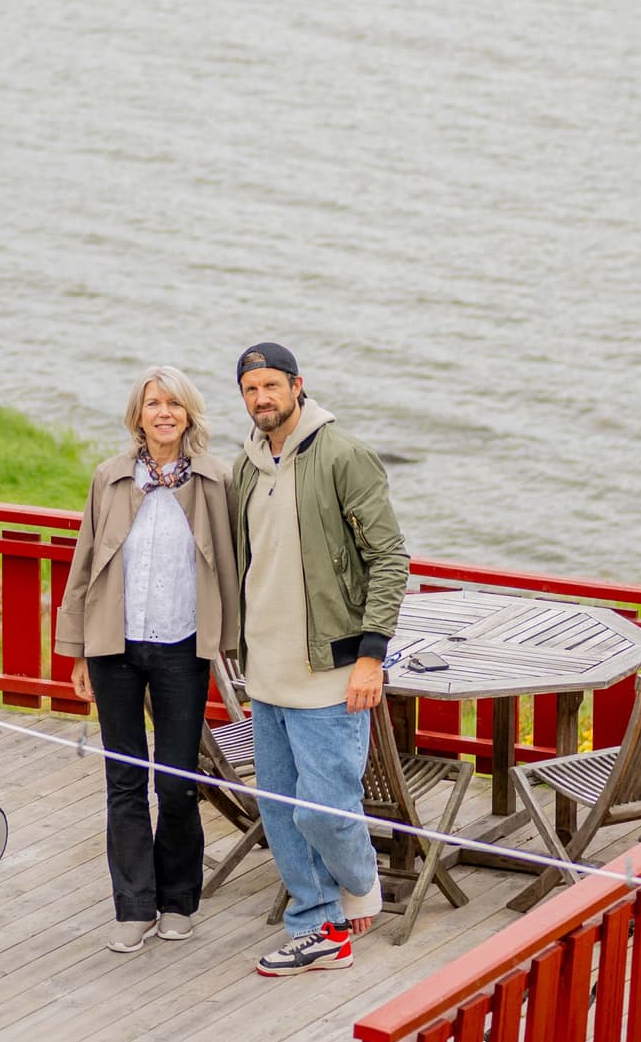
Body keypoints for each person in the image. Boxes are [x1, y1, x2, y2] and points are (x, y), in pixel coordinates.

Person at [226, 341, 410, 976]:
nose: (262, 398)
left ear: (298, 386)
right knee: (278, 810)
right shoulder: (245, 466)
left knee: (323, 811)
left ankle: (359, 886)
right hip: (267, 674)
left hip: (331, 672)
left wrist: (371, 656)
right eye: (251, 389)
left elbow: (390, 559)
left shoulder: (343, 455)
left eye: (272, 386)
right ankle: (318, 925)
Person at [54, 367, 241, 951]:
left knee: (179, 783)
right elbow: (85, 565)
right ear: (137, 415)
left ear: (189, 414)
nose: (164, 412)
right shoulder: (109, 479)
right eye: (153, 403)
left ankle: (179, 900)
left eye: (175, 404)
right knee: (124, 780)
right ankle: (133, 905)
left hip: (184, 647)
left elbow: (239, 565)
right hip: (115, 647)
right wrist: (78, 648)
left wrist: (237, 646)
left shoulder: (217, 480)